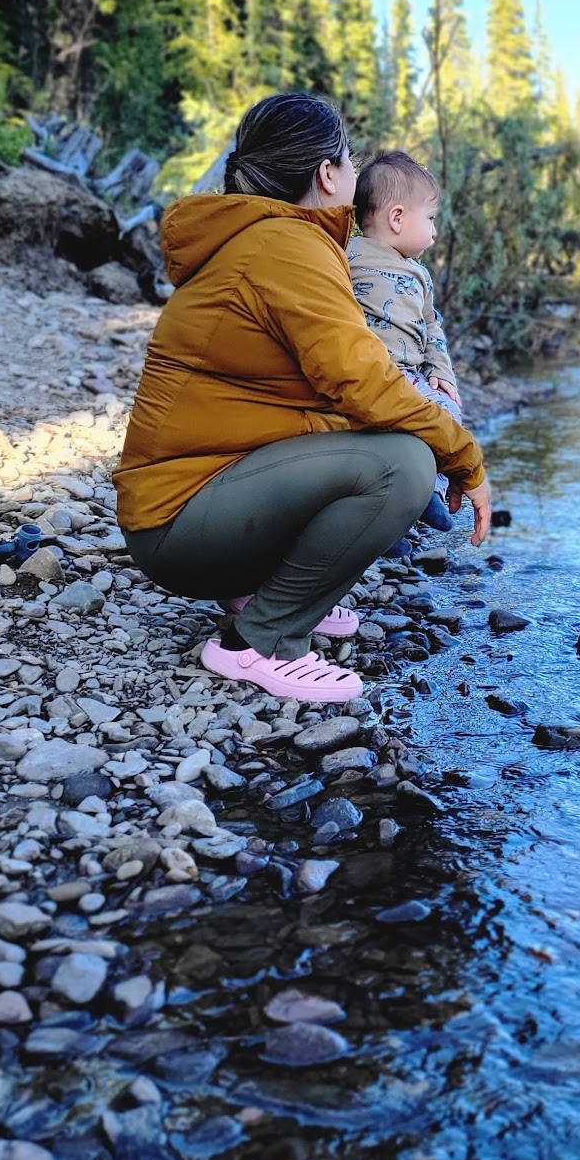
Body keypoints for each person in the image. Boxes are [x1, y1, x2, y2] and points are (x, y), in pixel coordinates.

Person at [113, 92, 491, 706]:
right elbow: (364, 382)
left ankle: (257, 592)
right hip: (178, 524)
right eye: (348, 163)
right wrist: (463, 456)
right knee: (405, 464)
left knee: (386, 443)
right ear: (326, 174)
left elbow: (320, 389)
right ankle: (259, 640)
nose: (353, 179)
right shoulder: (286, 246)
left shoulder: (270, 240)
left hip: (189, 501)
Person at [348, 150, 460, 534]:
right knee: (382, 445)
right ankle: (387, 518)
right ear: (397, 218)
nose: (434, 230)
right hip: (368, 376)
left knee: (446, 412)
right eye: (429, 219)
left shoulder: (420, 275)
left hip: (410, 376)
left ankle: (429, 495)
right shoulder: (347, 257)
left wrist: (440, 369)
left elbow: (433, 327)